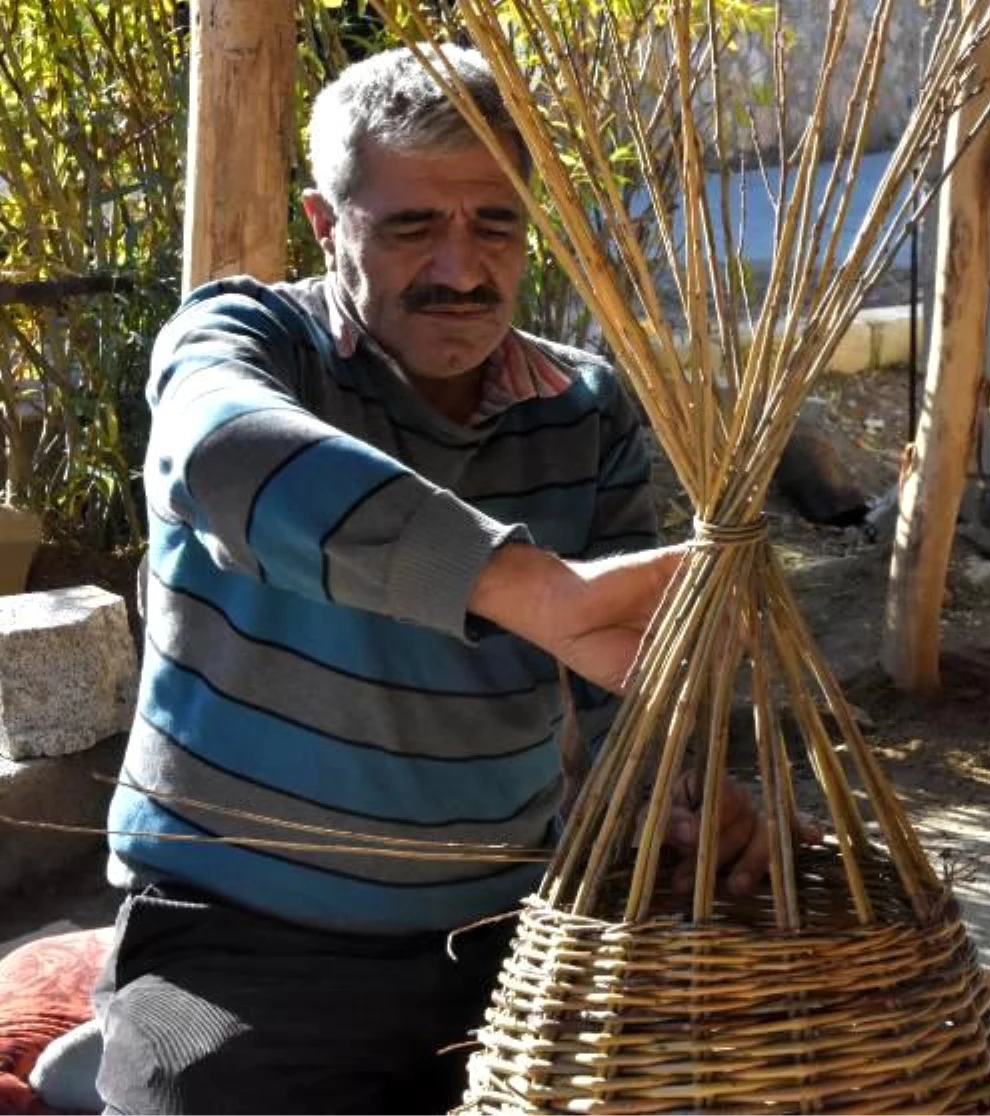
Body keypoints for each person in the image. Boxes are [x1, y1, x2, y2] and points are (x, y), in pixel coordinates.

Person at [95, 44, 774, 1116]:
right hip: (229, 940)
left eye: (495, 224)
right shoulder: (253, 342)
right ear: (326, 225)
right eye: (413, 226)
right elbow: (222, 454)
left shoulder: (583, 408)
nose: (462, 270)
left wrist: (677, 797)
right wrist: (524, 588)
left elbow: (615, 681)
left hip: (505, 936)